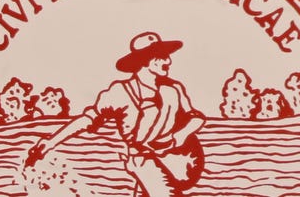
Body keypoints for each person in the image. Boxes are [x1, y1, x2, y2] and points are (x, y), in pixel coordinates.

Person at [24, 32, 205, 196]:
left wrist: (179, 136)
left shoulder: (173, 89)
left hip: (177, 160)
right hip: (143, 162)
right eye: (162, 57)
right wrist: (49, 143)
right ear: (145, 60)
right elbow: (87, 120)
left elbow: (196, 117)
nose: (168, 61)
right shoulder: (120, 93)